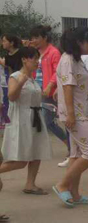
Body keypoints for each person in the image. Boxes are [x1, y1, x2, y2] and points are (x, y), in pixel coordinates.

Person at [53, 27, 88, 207]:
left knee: (77, 154)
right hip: (75, 114)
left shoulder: (77, 60)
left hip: (82, 112)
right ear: (78, 42)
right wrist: (71, 114)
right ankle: (62, 184)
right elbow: (68, 87)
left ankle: (75, 193)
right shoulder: (68, 60)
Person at [0, 45, 53, 194]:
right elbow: (11, 96)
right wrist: (21, 83)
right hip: (21, 119)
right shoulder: (16, 76)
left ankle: (30, 184)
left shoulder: (32, 78)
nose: (37, 61)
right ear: (24, 59)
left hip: (35, 118)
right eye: (34, 58)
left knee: (37, 152)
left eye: (38, 58)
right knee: (21, 160)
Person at [29, 24, 70, 164]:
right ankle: (69, 146)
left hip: (50, 93)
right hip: (38, 91)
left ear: (45, 38)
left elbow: (57, 72)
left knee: (48, 121)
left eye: (36, 37)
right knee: (44, 122)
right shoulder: (35, 53)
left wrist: (50, 86)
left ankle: (71, 146)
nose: (33, 40)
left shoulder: (53, 52)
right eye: (32, 38)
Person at [0, 34, 22, 128]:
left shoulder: (20, 53)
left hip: (21, 82)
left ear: (12, 43)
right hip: (11, 83)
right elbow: (8, 69)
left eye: (4, 41)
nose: (2, 43)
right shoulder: (7, 55)